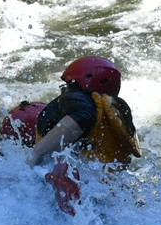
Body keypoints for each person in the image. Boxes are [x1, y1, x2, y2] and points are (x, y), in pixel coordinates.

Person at [27, 56, 140, 214]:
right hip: (107, 197)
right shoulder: (118, 112)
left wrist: (35, 154)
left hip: (78, 193)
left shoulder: (80, 102)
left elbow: (80, 118)